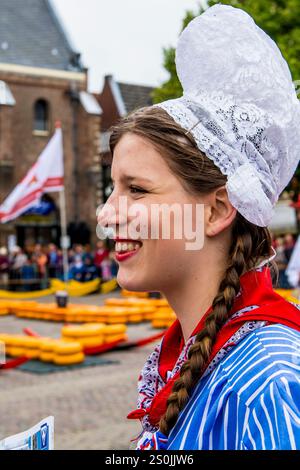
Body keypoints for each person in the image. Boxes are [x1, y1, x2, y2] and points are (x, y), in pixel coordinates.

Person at [98, 5, 300, 450]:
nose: (107, 214)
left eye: (137, 190)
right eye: (113, 189)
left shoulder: (266, 383)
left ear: (215, 211)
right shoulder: (194, 353)